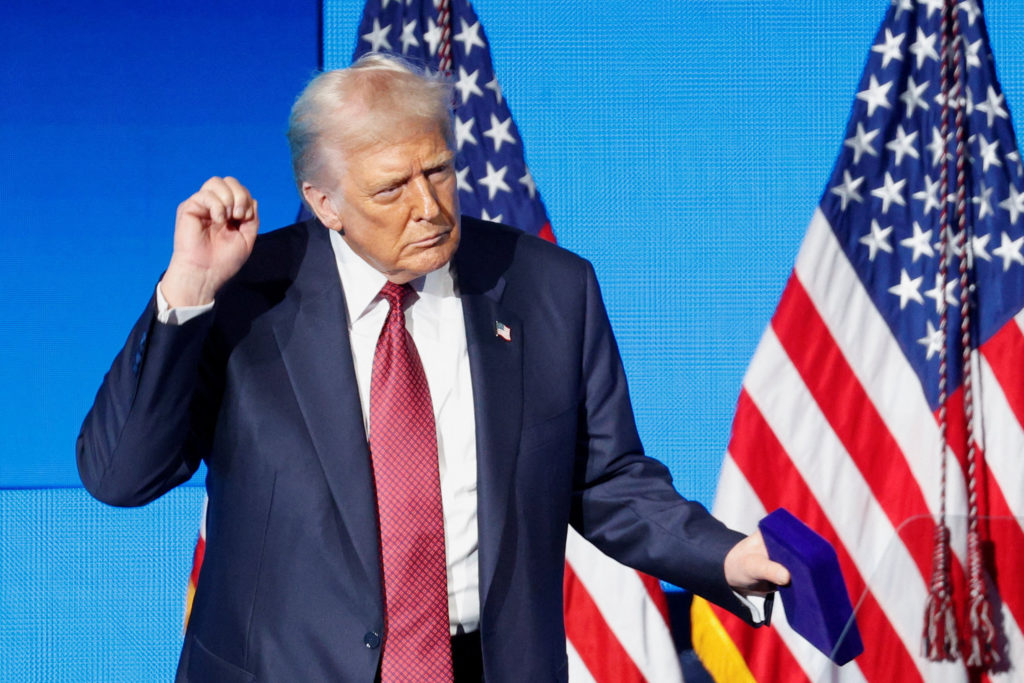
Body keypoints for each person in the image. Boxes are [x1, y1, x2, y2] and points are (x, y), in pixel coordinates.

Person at [77, 53, 789, 682]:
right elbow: (121, 476)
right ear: (325, 203)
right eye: (391, 188)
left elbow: (604, 479)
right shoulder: (245, 296)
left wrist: (724, 559)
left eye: (439, 171)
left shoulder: (548, 288)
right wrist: (188, 290)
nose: (428, 208)